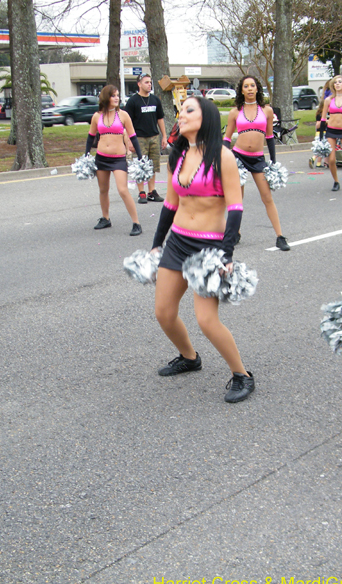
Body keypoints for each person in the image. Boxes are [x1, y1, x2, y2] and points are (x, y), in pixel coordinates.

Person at [150, 96, 255, 403]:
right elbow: (170, 204)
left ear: (206, 116)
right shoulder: (178, 154)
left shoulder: (222, 156)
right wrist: (157, 243)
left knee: (206, 320)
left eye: (188, 110)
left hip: (208, 247)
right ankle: (189, 357)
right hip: (178, 242)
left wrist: (227, 254)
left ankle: (242, 375)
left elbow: (235, 207)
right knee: (163, 312)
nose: (181, 116)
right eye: (180, 111)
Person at [223, 75, 290, 250]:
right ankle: (234, 234)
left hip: (258, 159)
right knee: (238, 199)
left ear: (257, 88)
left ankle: (280, 236)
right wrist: (223, 158)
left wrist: (273, 162)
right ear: (242, 90)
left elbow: (269, 137)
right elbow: (227, 138)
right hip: (238, 157)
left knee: (267, 197)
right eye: (246, 86)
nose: (250, 89)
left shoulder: (266, 110)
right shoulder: (235, 112)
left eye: (253, 85)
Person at [85, 84, 143, 235]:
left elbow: (133, 137)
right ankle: (105, 218)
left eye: (118, 95)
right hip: (101, 157)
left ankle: (136, 223)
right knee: (103, 190)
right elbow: (91, 136)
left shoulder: (123, 115)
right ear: (106, 97)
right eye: (113, 95)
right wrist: (86, 155)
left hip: (118, 159)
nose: (117, 98)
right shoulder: (97, 116)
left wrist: (140, 156)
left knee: (123, 190)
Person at [124, 73, 167, 204]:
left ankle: (151, 192)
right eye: (146, 82)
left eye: (150, 82)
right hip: (139, 138)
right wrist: (129, 141)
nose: (149, 84)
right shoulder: (133, 101)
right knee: (141, 166)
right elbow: (126, 122)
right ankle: (141, 192)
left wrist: (164, 136)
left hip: (154, 136)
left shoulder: (155, 100)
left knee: (153, 166)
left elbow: (160, 119)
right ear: (139, 84)